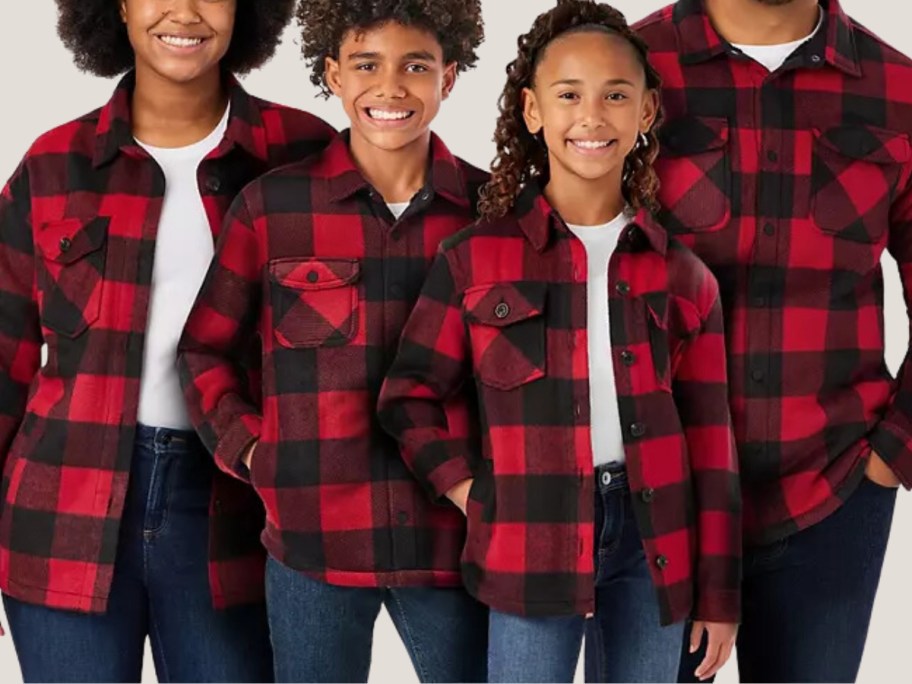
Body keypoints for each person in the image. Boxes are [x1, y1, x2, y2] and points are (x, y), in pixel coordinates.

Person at [378, 1, 741, 681]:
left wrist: (720, 596)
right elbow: (409, 397)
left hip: (652, 543)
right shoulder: (473, 259)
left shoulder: (683, 276)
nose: (592, 116)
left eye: (615, 95)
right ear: (533, 111)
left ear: (647, 113)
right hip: (526, 539)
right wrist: (469, 490)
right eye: (569, 95)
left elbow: (712, 445)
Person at [0, 1, 335, 681]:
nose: (184, 11)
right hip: (61, 510)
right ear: (117, 6)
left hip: (240, 514)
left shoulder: (302, 152)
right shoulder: (53, 163)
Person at [177, 1, 489, 681]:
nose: (391, 87)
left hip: (453, 544)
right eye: (366, 65)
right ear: (333, 76)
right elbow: (205, 349)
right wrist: (255, 451)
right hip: (312, 544)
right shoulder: (272, 208)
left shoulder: (494, 214)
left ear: (451, 77)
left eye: (417, 66)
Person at [635, 0, 910, 681]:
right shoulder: (627, 65)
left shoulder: (898, 90)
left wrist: (892, 456)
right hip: (654, 495)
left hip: (832, 488)